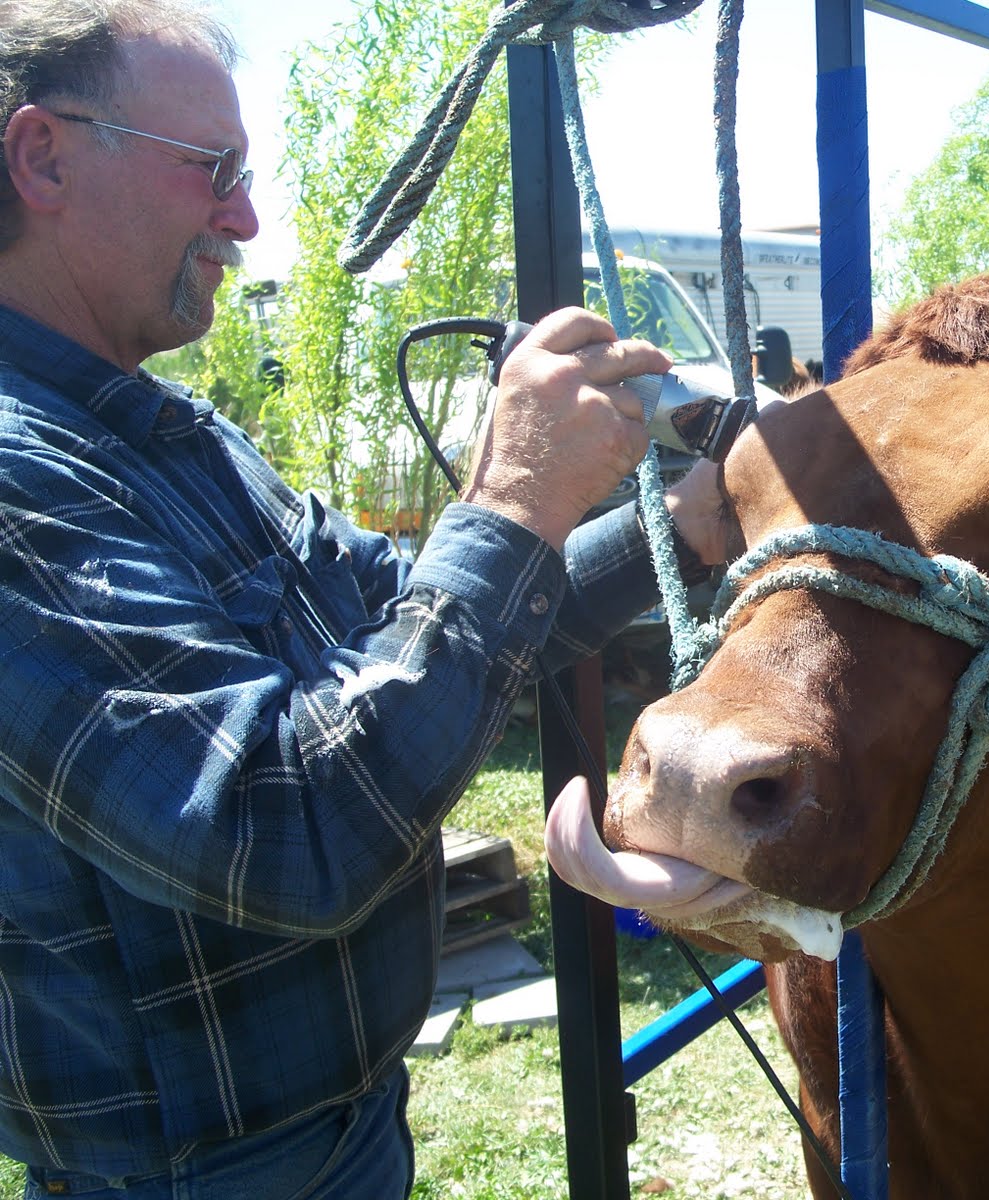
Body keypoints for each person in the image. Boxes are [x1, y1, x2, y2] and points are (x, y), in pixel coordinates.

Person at [0, 0, 726, 1195]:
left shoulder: (155, 425)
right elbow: (284, 834)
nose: (244, 218)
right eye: (214, 171)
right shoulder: (23, 478)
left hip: (344, 1131)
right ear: (42, 158)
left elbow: (401, 613)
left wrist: (686, 533)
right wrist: (510, 502)